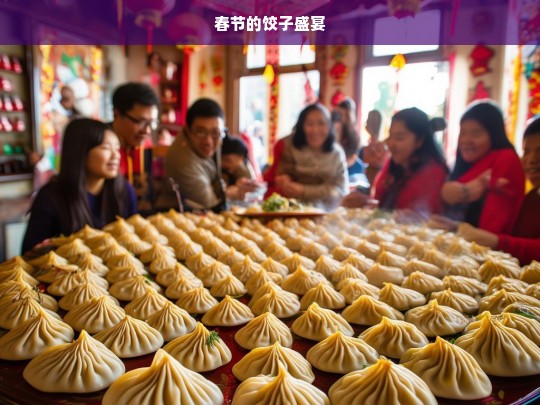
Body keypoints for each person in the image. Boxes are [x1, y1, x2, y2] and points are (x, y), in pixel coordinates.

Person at [22, 118, 137, 253]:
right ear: (80, 151)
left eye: (117, 148)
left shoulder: (124, 190)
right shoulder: (51, 197)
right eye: (106, 148)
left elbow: (133, 239)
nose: (115, 155)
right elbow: (30, 254)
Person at [449, 116, 540, 265]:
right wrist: (456, 227)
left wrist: (496, 241)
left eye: (476, 133)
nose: (531, 159)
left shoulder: (505, 159)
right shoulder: (532, 197)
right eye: (526, 151)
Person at [342, 107, 448, 215]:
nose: (391, 143)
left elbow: (418, 217)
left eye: (399, 138)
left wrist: (371, 204)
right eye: (390, 135)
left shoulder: (433, 172)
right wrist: (365, 200)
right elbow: (383, 204)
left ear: (420, 140)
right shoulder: (395, 163)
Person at [440, 100, 525, 234]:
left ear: (494, 134)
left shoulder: (506, 158)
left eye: (476, 133)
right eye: (463, 133)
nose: (466, 140)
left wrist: (462, 193)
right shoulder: (469, 164)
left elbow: (492, 229)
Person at [156, 98, 229, 212]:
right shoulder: (181, 161)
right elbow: (209, 203)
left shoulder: (218, 139)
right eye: (201, 132)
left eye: (215, 133)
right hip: (176, 219)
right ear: (187, 131)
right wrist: (231, 194)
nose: (208, 141)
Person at [275, 103, 348, 209]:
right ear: (301, 126)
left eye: (321, 123)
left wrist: (304, 190)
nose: (315, 130)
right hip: (295, 209)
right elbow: (281, 174)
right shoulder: (289, 146)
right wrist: (284, 182)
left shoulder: (337, 153)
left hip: (329, 211)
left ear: (329, 125)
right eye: (309, 124)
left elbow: (341, 190)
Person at [110, 82, 160, 212]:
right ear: (116, 114)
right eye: (140, 122)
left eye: (152, 123)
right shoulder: (102, 149)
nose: (147, 130)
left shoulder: (146, 147)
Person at [221, 135, 261, 201]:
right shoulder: (221, 171)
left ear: (241, 157)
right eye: (222, 159)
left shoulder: (245, 172)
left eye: (227, 160)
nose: (223, 164)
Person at [332, 97, 364, 178]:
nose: (338, 118)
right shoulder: (332, 130)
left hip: (348, 165)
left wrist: (341, 167)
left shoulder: (354, 136)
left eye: (341, 115)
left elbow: (353, 156)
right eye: (337, 114)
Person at [360, 109, 389, 187]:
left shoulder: (382, 146)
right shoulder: (371, 145)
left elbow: (379, 162)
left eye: (367, 121)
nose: (365, 123)